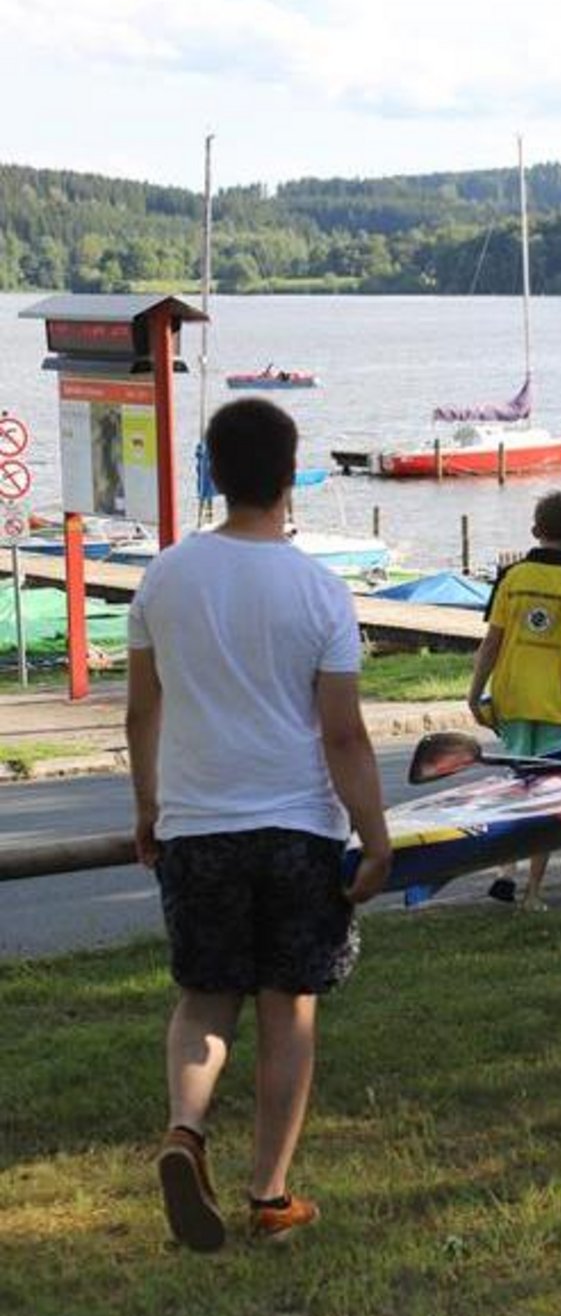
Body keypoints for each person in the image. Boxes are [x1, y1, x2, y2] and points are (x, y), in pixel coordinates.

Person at [126, 396, 392, 1253]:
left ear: (213, 469)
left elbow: (141, 713)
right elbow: (343, 733)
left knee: (205, 998)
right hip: (296, 830)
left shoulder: (163, 577)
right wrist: (375, 832)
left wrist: (148, 810)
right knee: (289, 1009)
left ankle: (184, 1131)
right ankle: (270, 1194)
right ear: (288, 475)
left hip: (196, 823)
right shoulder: (320, 590)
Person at [466, 489, 561, 911]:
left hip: (511, 696)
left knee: (515, 786)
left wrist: (476, 693)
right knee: (548, 798)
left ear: (535, 530)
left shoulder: (513, 578)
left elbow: (492, 642)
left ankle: (504, 872)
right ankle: (532, 892)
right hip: (558, 702)